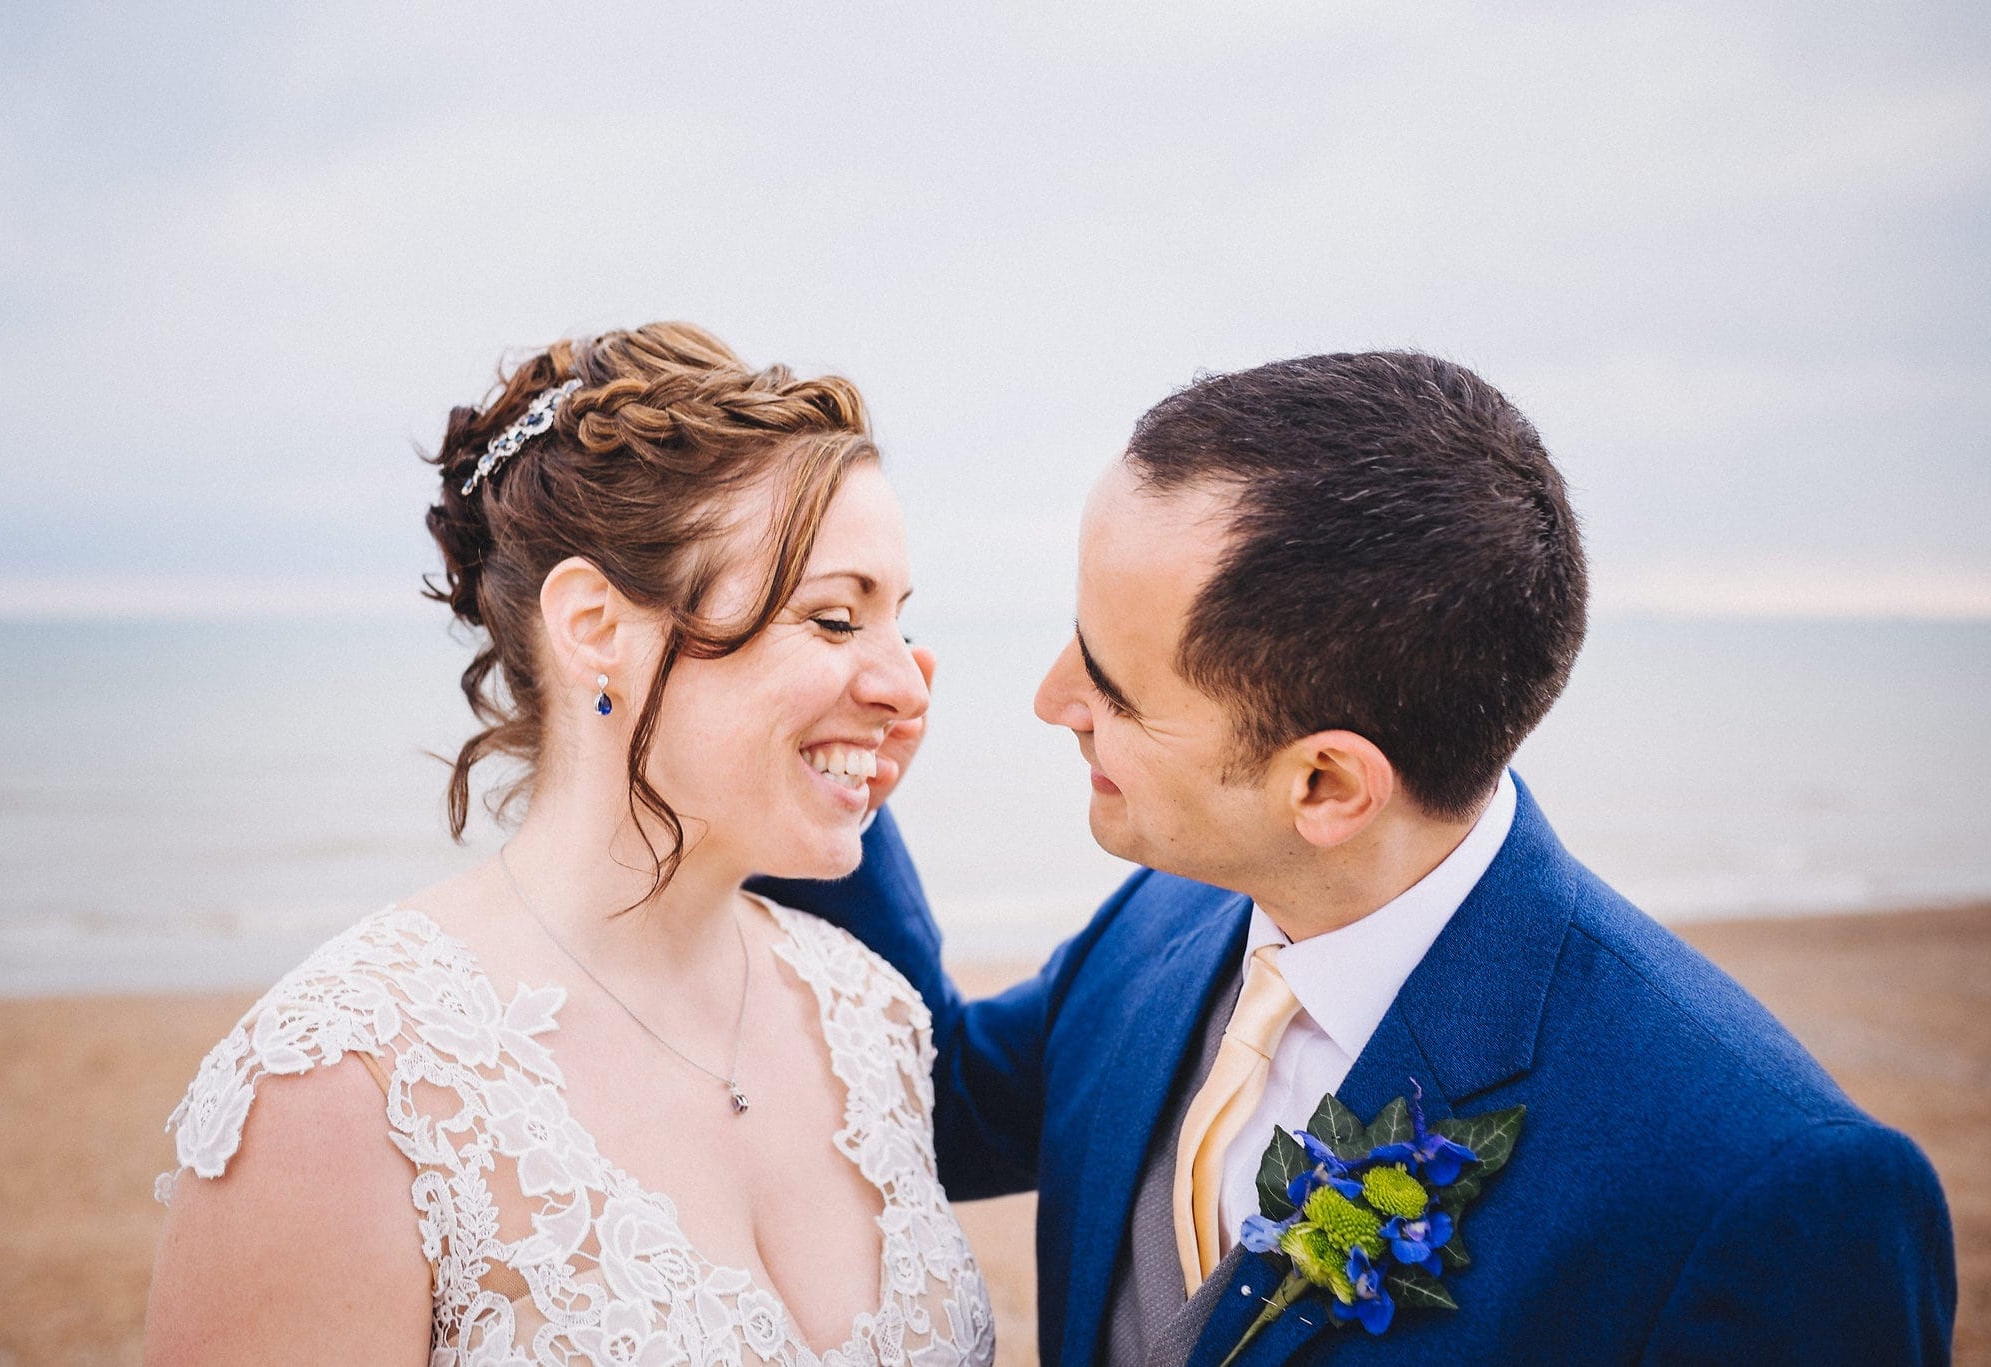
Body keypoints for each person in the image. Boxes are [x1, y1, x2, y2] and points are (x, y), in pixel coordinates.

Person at [756, 352, 1957, 1365]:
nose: (1048, 698)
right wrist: (823, 778)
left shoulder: (1768, 1188)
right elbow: (940, 1102)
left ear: (1324, 785)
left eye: (1110, 685)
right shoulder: (1166, 921)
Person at [145, 323, 991, 1367]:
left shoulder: (874, 1019)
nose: (907, 685)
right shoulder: (348, 1085)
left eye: (896, 621)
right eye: (830, 619)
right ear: (596, 625)